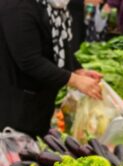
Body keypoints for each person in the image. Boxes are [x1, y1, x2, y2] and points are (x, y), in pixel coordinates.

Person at [0, 0, 103, 138]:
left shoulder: (51, 4)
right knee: (17, 150)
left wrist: (77, 70)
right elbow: (29, 60)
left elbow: (57, 46)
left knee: (36, 142)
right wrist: (74, 80)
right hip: (16, 103)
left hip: (40, 100)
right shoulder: (17, 6)